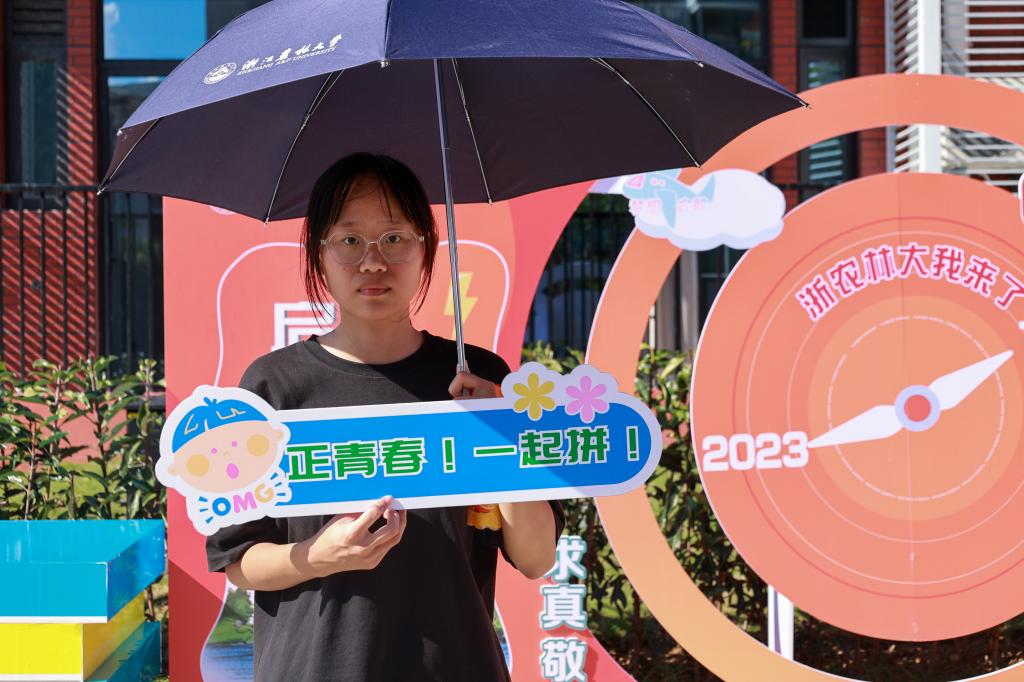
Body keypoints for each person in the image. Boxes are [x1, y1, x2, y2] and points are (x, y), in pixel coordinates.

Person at [205, 152, 563, 681]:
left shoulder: (479, 379)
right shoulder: (272, 386)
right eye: (349, 240)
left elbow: (536, 559)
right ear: (319, 253)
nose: (373, 262)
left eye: (394, 238)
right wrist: (318, 556)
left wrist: (500, 433)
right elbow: (238, 560)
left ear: (426, 248)